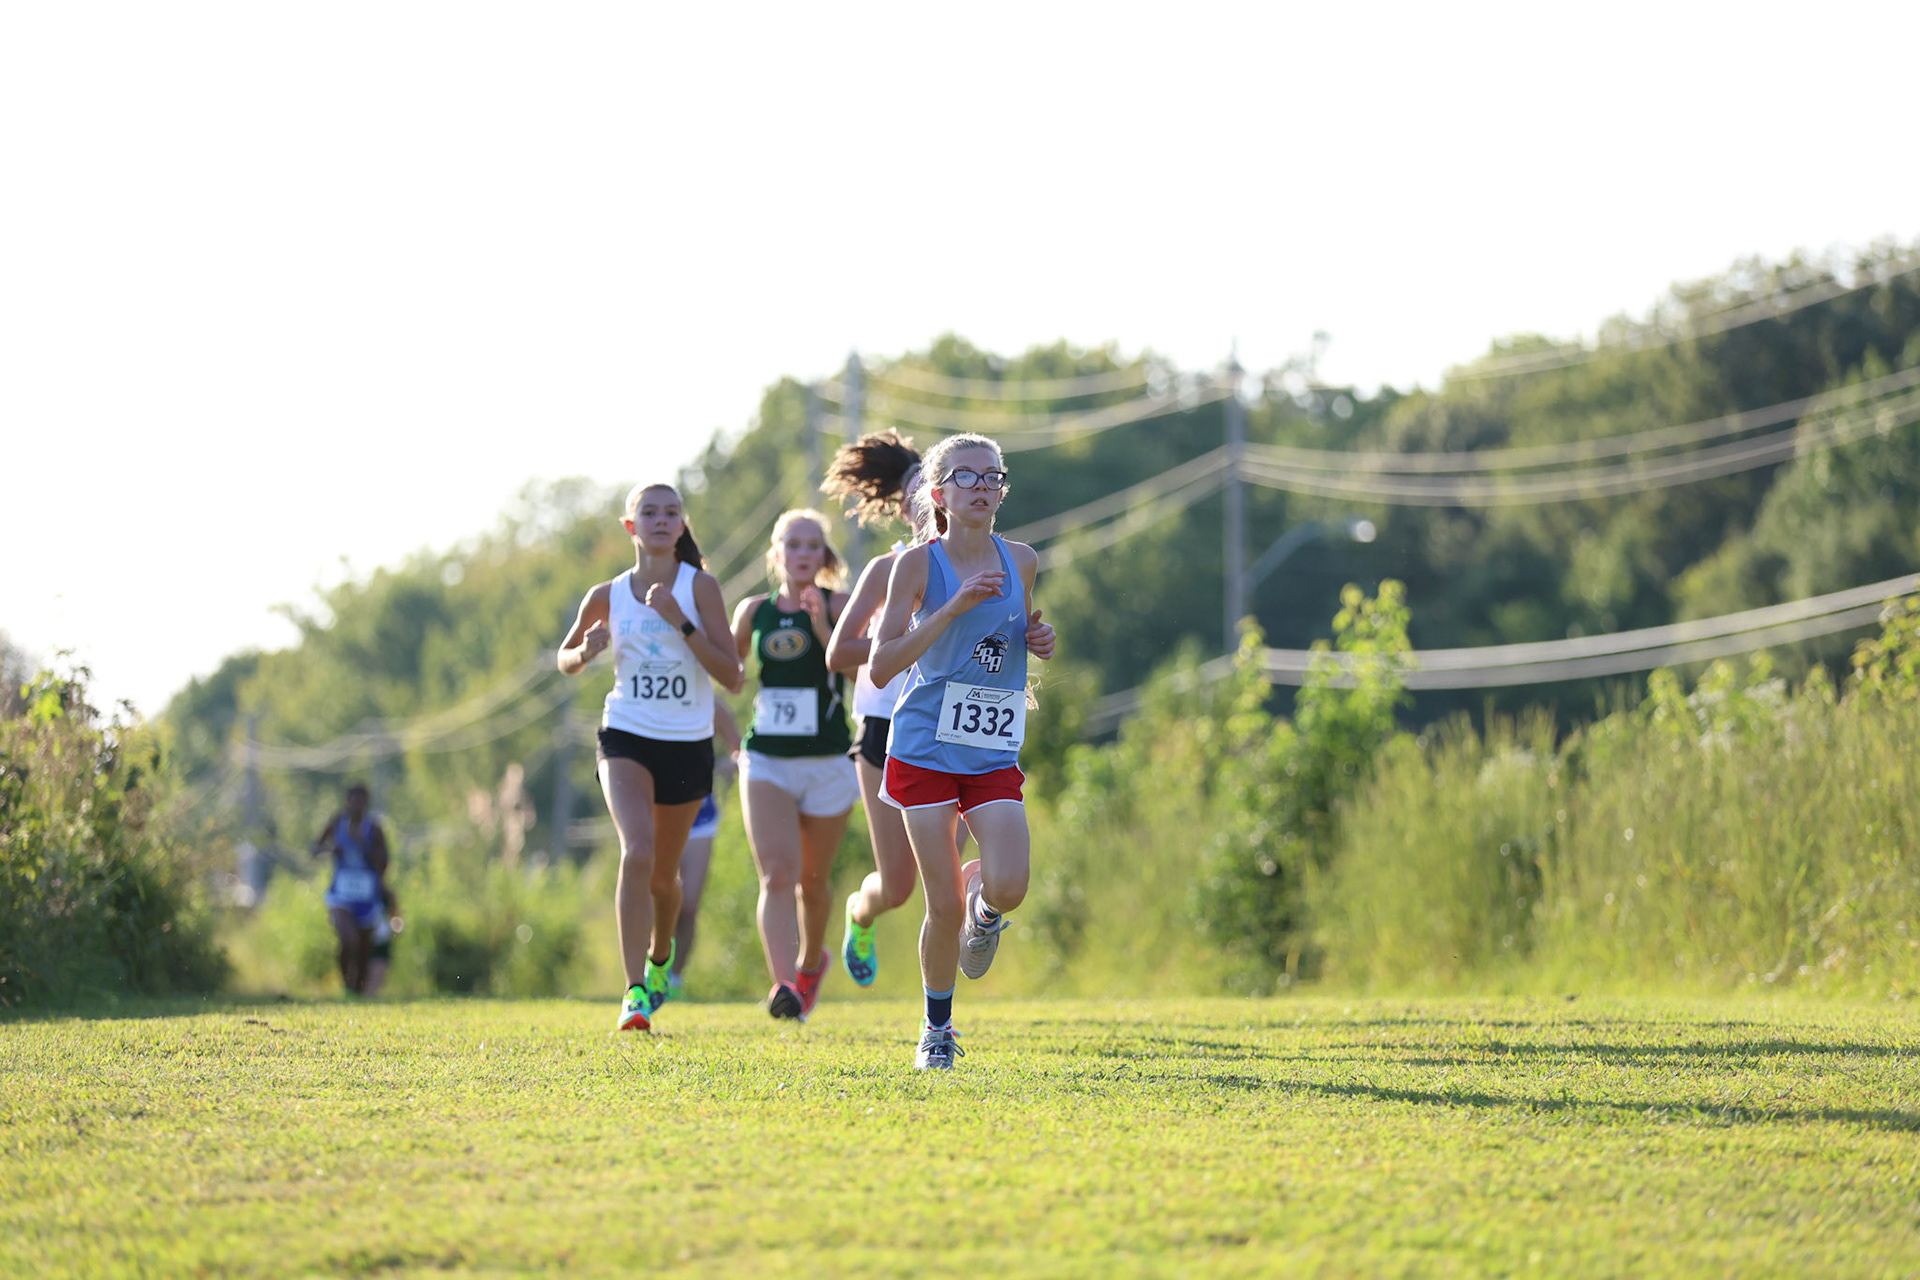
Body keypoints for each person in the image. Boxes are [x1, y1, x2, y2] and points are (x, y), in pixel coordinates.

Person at [867, 433, 1055, 1070]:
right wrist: (948, 609)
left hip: (990, 746)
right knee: (939, 902)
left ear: (1002, 488)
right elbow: (882, 664)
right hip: (923, 746)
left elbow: (1012, 631)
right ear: (938, 493)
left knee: (1011, 885)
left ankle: (987, 910)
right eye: (966, 476)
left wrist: (1037, 633)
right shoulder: (915, 568)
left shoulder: (1023, 560)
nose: (981, 486)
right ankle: (936, 1029)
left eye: (991, 476)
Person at [557, 481, 742, 1031]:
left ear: (682, 525)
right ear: (630, 525)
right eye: (649, 512)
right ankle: (634, 991)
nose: (661, 521)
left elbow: (732, 677)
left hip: (686, 744)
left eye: (671, 513)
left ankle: (662, 956)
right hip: (626, 735)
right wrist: (583, 653)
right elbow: (564, 657)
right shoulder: (607, 594)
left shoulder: (699, 587)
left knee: (666, 880)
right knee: (636, 852)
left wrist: (679, 622)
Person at [822, 429, 967, 989]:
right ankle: (862, 910)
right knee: (900, 884)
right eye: (910, 490)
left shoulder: (980, 567)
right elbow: (840, 653)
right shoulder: (889, 570)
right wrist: (912, 638)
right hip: (885, 727)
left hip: (951, 722)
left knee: (949, 877)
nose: (919, 497)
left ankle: (945, 996)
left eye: (927, 484)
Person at [730, 509, 860, 1021]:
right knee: (777, 874)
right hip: (767, 759)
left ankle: (810, 964)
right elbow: (730, 671)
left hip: (828, 760)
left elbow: (856, 674)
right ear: (777, 552)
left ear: (824, 556)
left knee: (813, 880)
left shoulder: (840, 604)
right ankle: (783, 985)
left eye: (813, 546)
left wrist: (824, 627)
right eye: (794, 544)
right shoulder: (753, 612)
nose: (804, 554)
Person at [665, 698, 741, 1001]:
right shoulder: (649, 695)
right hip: (657, 812)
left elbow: (740, 752)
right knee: (660, 894)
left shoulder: (712, 705)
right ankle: (649, 968)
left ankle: (674, 980)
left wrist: (721, 766)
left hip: (701, 815)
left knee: (689, 904)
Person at [308, 783, 391, 997]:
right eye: (352, 801)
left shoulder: (373, 829)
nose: (356, 806)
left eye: (361, 802)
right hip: (341, 894)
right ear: (346, 803)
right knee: (348, 939)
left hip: (366, 896)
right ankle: (346, 986)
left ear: (366, 804)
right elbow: (315, 849)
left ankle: (358, 993)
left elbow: (384, 864)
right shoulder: (337, 823)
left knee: (364, 948)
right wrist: (330, 848)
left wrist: (364, 845)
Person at [363, 885, 402, 997]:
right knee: (366, 972)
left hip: (381, 939)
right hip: (365, 939)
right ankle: (363, 997)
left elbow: (395, 915)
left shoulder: (387, 894)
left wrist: (396, 928)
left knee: (378, 974)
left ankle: (369, 998)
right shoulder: (365, 892)